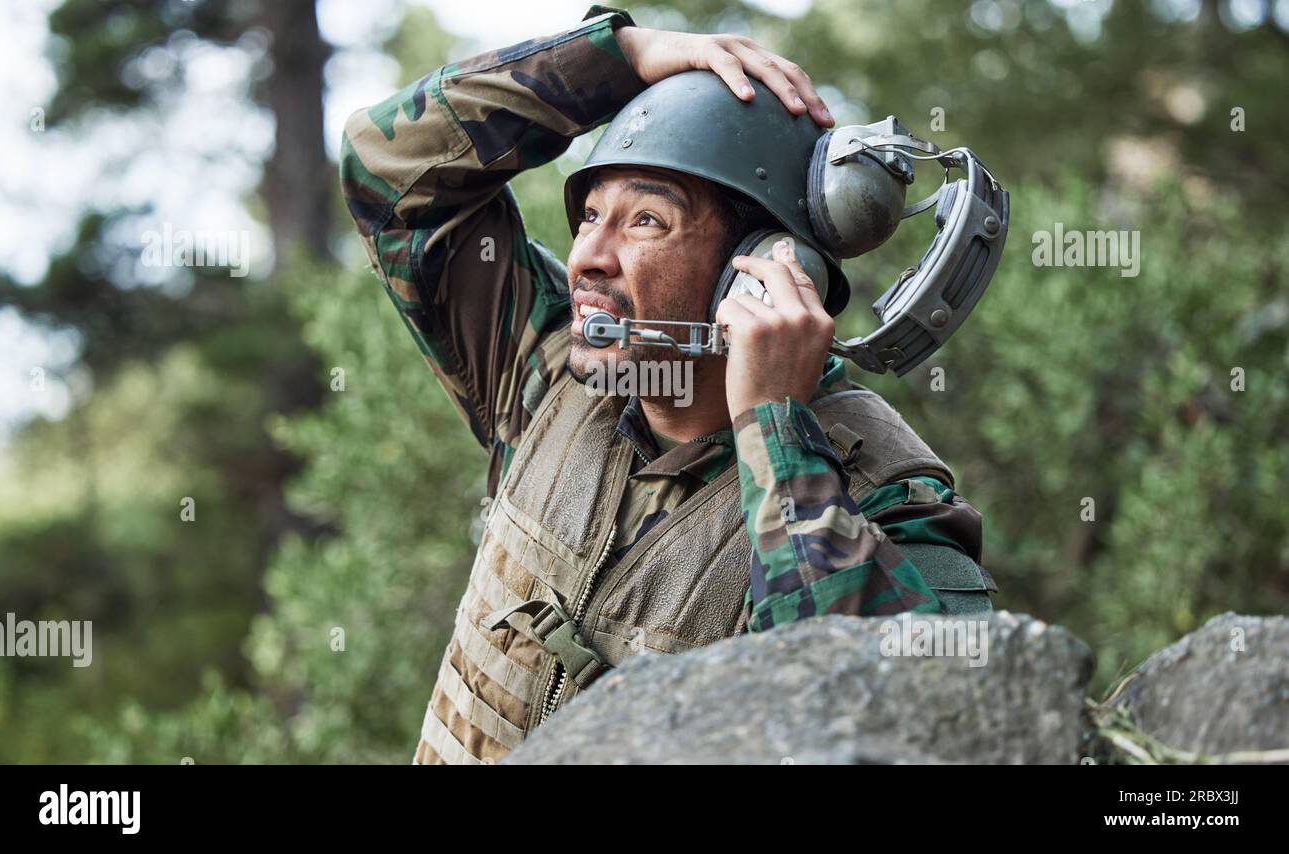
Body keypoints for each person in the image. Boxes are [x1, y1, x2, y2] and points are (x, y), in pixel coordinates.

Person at [341, 5, 997, 765]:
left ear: (761, 267)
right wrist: (614, 59)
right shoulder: (546, 363)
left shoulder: (890, 497)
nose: (589, 255)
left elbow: (908, 726)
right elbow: (386, 170)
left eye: (646, 221)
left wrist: (775, 432)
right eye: (590, 214)